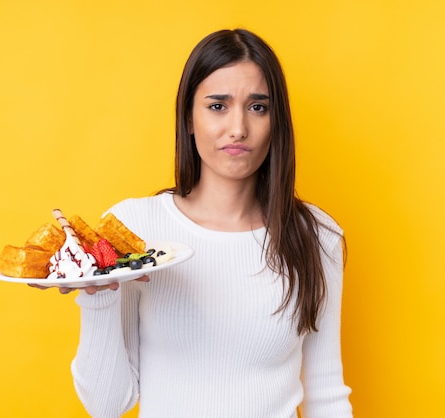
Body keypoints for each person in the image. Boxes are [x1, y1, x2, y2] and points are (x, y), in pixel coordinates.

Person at [56, 28, 352, 417]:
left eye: (258, 107)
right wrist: (98, 295)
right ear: (189, 118)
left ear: (276, 120)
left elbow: (326, 394)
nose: (238, 128)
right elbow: (107, 405)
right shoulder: (133, 228)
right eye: (217, 106)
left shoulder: (317, 237)